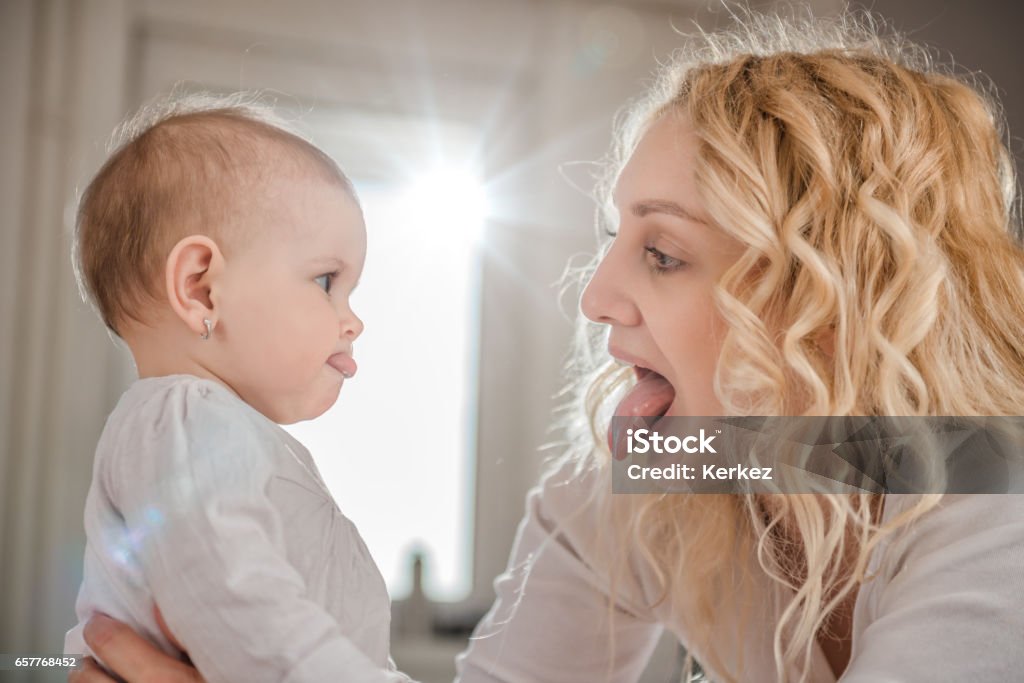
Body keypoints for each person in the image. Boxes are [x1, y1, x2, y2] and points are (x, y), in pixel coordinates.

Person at [70, 9, 1024, 683]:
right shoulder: (657, 471)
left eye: (662, 252)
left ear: (830, 298)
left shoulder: (1000, 504)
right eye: (614, 241)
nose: (599, 296)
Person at [64, 94, 414, 683]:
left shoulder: (212, 430)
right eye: (327, 280)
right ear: (201, 289)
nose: (352, 321)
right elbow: (239, 603)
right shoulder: (184, 417)